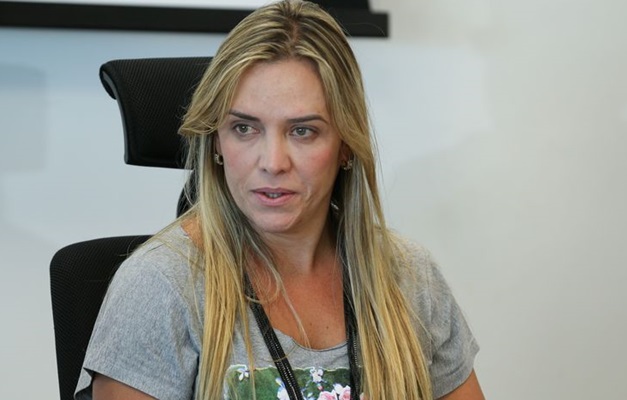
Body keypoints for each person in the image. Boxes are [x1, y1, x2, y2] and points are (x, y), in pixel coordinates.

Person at [75, 1, 484, 399]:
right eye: (244, 128)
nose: (272, 162)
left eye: (302, 131)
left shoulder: (409, 276)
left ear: (345, 144)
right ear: (216, 140)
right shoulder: (159, 286)